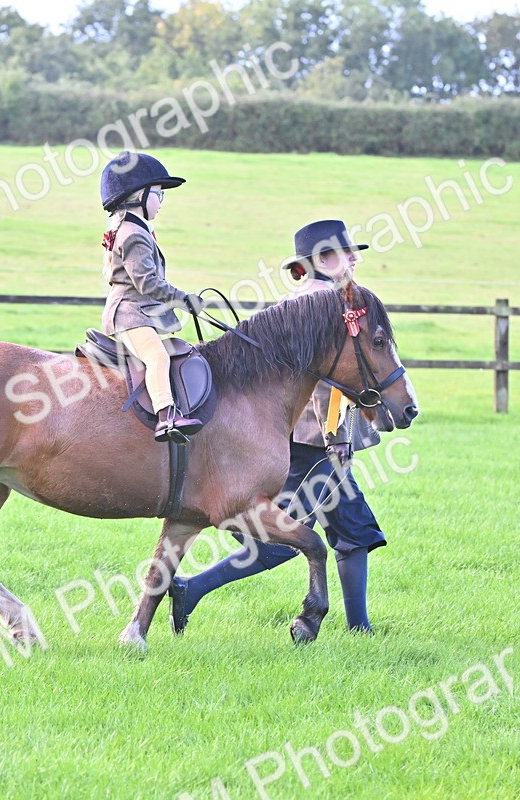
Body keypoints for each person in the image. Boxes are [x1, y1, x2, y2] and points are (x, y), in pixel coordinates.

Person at [169, 219, 388, 633]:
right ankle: (191, 589)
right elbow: (331, 378)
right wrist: (336, 434)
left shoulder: (299, 300)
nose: (355, 258)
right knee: (297, 538)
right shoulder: (328, 306)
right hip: (317, 442)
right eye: (346, 252)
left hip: (295, 437)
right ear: (323, 259)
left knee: (342, 531)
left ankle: (359, 628)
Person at [99, 150, 206, 443]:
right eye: (158, 194)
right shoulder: (133, 234)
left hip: (137, 311)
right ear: (138, 196)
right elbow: (147, 283)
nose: (161, 202)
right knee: (157, 356)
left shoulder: (134, 228)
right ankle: (166, 416)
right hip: (129, 314)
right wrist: (184, 299)